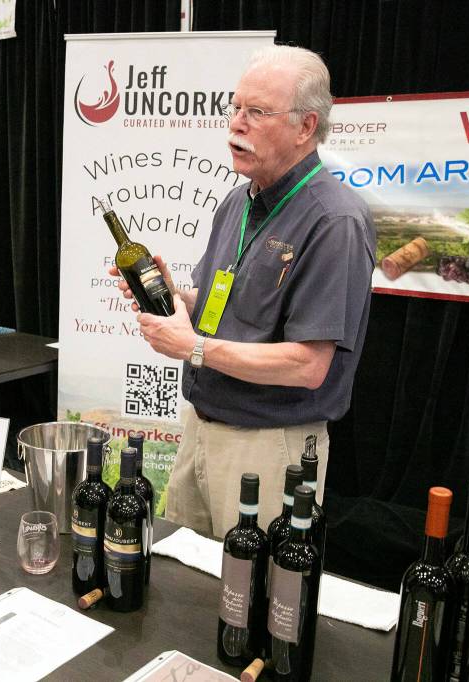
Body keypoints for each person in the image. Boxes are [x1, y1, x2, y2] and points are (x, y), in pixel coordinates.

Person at [111, 45, 376, 539]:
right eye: (234, 108)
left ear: (304, 127)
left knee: (250, 597)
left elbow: (308, 365)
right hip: (201, 431)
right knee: (179, 590)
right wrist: (177, 298)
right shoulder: (239, 199)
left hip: (269, 447)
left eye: (257, 112)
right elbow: (229, 308)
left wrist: (192, 347)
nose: (236, 124)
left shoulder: (334, 221)